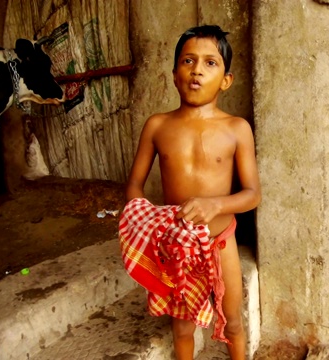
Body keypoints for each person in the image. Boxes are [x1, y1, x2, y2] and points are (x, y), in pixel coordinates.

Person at [124, 25, 261, 360]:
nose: (197, 69)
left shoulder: (236, 129)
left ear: (226, 80)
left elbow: (252, 194)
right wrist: (151, 225)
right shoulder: (157, 126)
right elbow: (134, 188)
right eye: (188, 60)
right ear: (174, 74)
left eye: (210, 63)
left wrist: (215, 205)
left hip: (221, 242)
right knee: (183, 328)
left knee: (232, 322)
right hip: (177, 246)